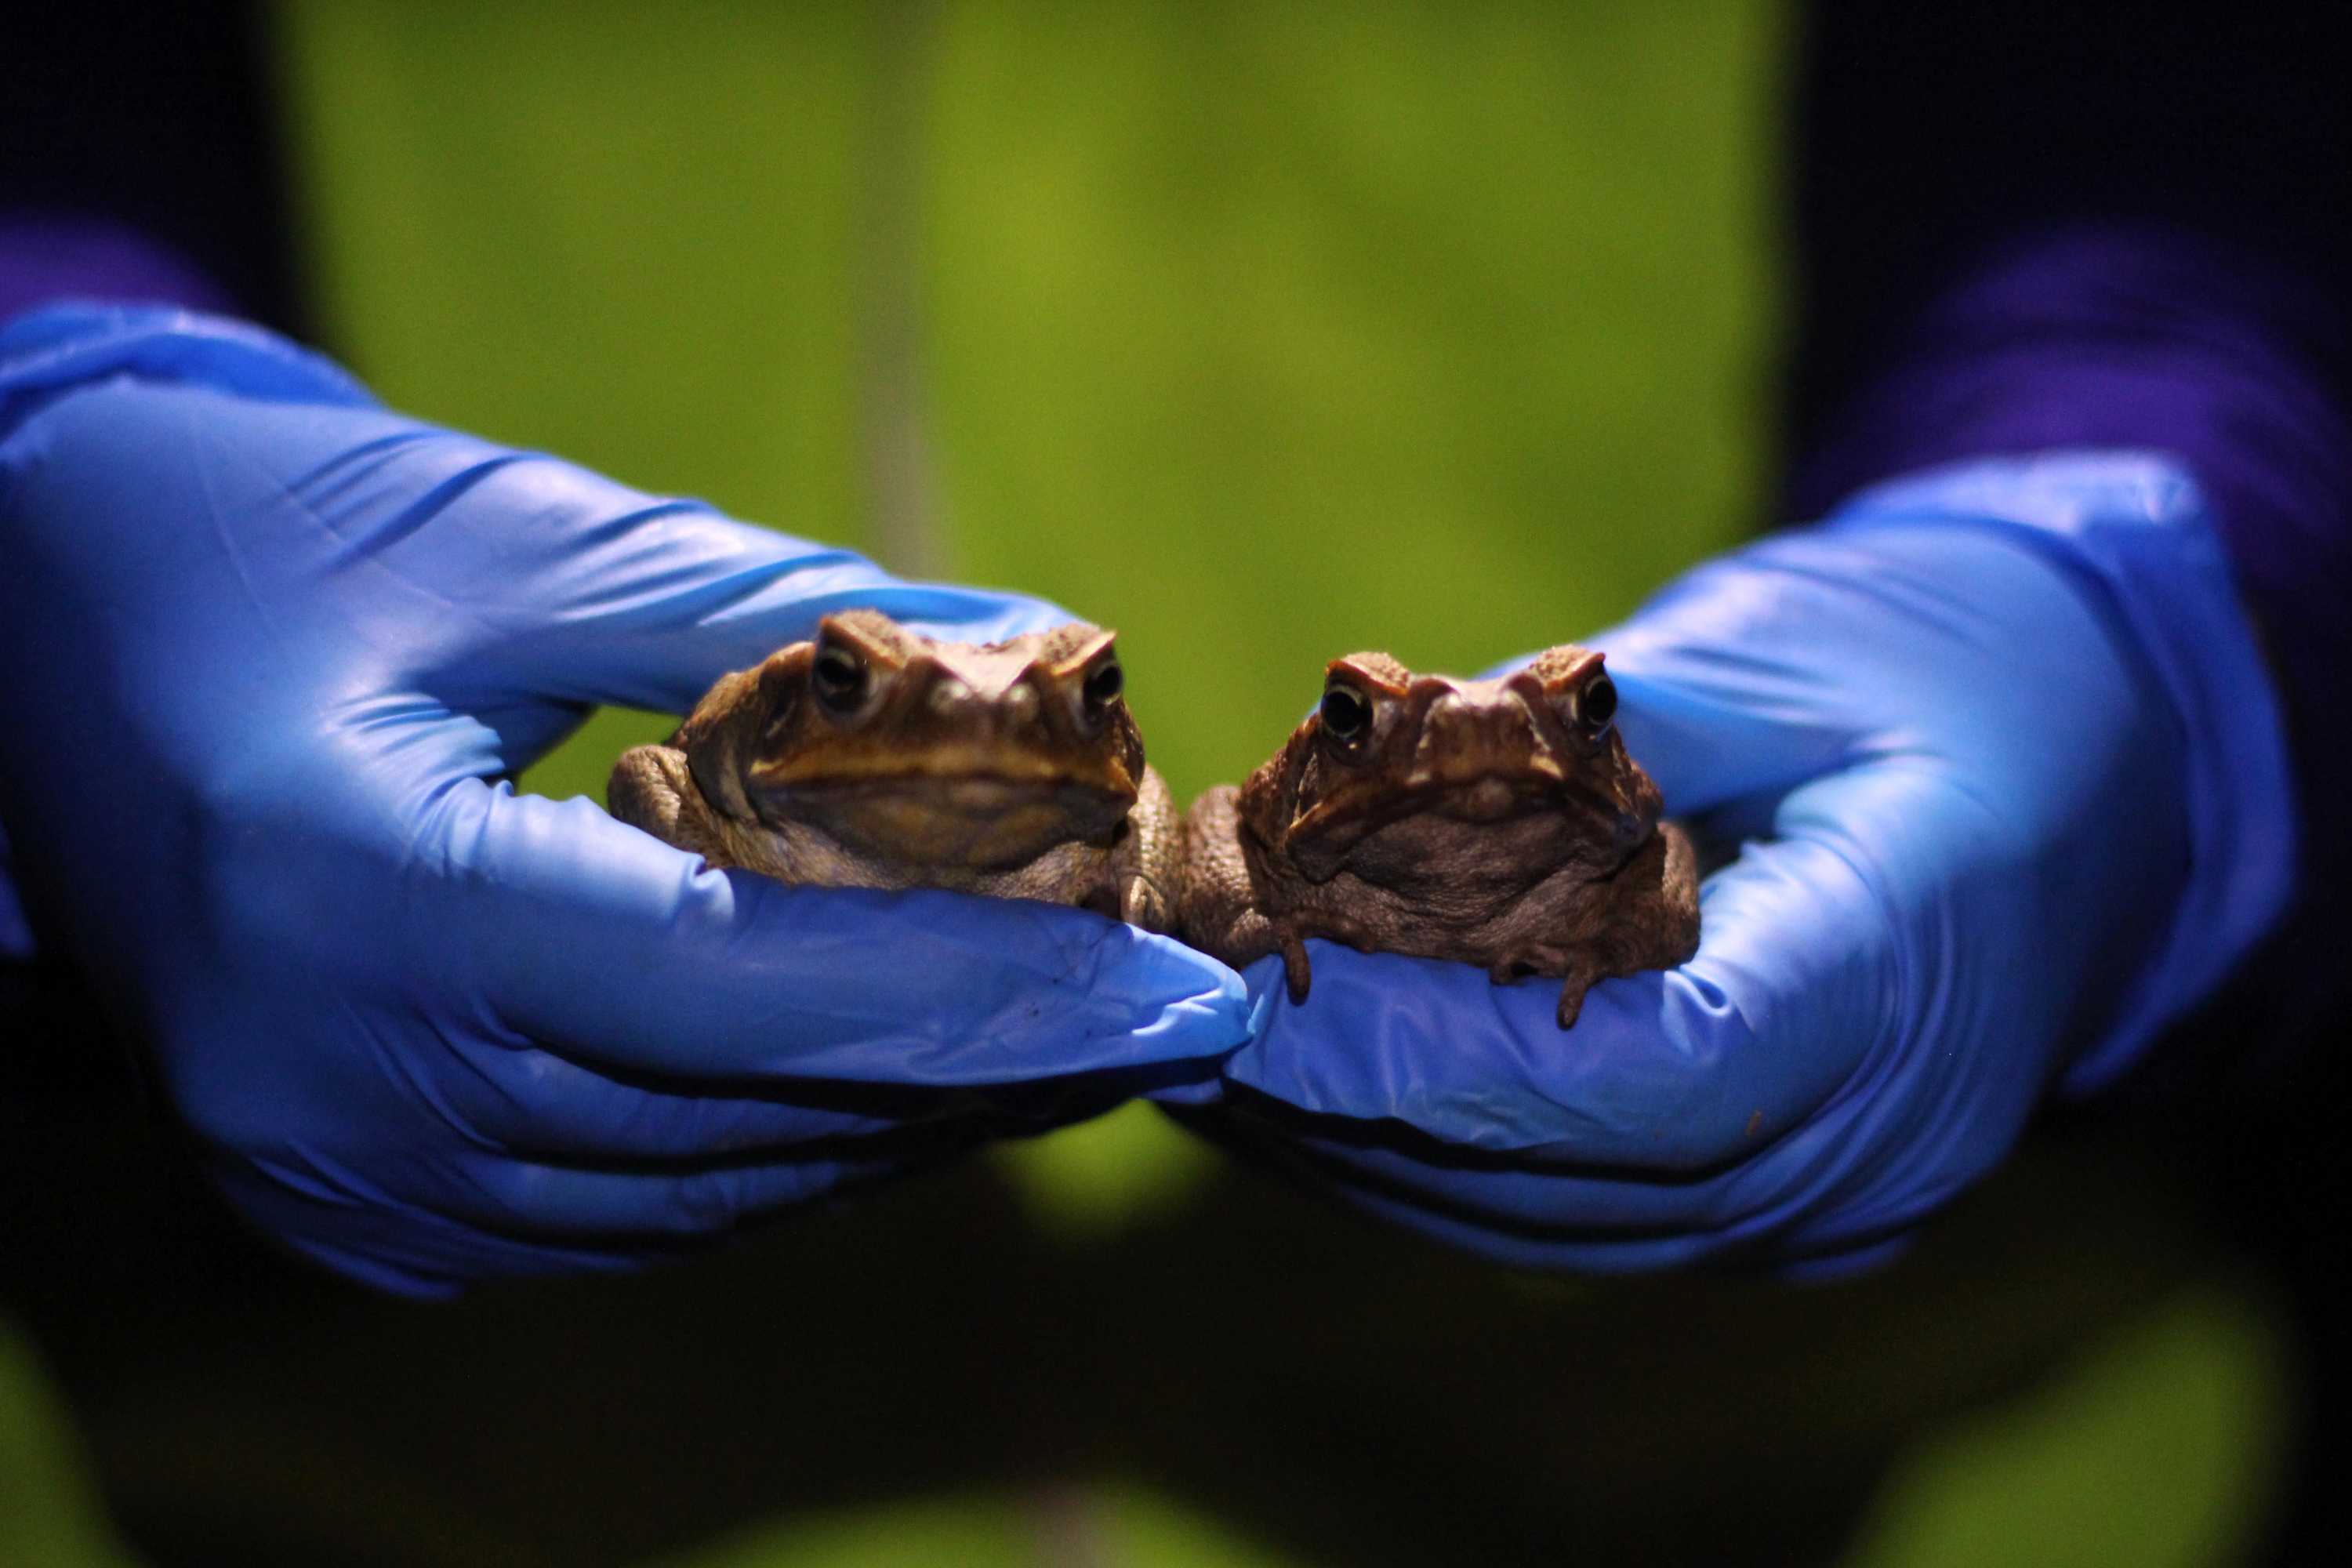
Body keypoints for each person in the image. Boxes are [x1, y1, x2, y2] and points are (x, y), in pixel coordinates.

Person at [6, 0, 2347, 1560]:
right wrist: (59, 436)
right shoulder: (815, 776)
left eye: (1073, 712)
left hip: (1790, 1472)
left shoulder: (1179, 850)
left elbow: (2187, 130)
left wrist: (2164, 610)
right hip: (343, 1483)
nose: (1013, 740)